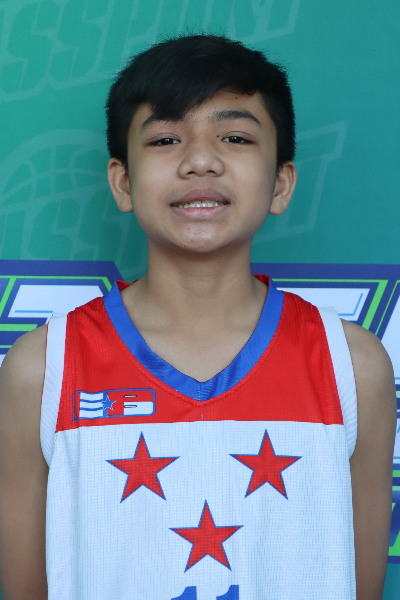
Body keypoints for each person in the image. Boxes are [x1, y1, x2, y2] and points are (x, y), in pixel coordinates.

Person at [0, 34, 396, 600]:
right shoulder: (42, 370)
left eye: (235, 137)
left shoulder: (351, 367)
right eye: (166, 139)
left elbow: (358, 586)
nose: (201, 161)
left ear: (281, 183)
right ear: (122, 182)